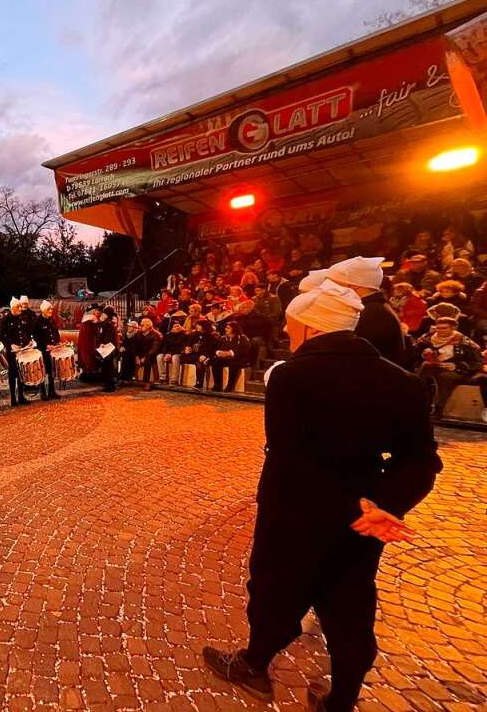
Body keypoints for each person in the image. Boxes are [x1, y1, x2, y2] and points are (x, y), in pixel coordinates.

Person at [202, 280, 441, 712]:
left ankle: (254, 665)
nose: (288, 336)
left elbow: (288, 458)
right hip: (361, 517)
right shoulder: (404, 383)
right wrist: (381, 504)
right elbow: (422, 463)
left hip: (294, 514)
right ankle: (342, 698)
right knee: (350, 605)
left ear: (313, 329)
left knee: (275, 592)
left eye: (292, 328)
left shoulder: (291, 377)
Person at [303, 257, 405, 367]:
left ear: (355, 285)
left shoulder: (369, 315)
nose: (330, 289)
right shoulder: (375, 308)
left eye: (335, 284)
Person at [414, 315, 483, 417]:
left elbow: (477, 362)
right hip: (434, 366)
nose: (440, 330)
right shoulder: (426, 339)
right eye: (438, 328)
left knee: (446, 377)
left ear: (453, 328)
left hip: (456, 370)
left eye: (444, 328)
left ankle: (439, 408)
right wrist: (423, 354)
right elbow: (413, 354)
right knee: (425, 367)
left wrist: (456, 366)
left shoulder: (466, 343)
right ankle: (419, 404)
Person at [0, 297, 33, 406]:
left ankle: (21, 396)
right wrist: (10, 345)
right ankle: (13, 399)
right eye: (18, 307)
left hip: (23, 349)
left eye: (20, 306)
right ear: (12, 308)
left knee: (21, 373)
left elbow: (28, 331)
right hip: (13, 352)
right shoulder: (5, 320)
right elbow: (2, 336)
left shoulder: (23, 317)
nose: (20, 308)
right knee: (13, 374)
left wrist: (29, 341)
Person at [209, 321, 250, 392]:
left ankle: (230, 385)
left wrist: (230, 353)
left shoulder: (242, 338)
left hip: (238, 358)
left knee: (234, 364)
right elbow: (216, 348)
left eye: (228, 328)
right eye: (226, 327)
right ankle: (217, 385)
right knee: (216, 362)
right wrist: (218, 352)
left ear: (234, 329)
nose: (226, 329)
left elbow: (243, 350)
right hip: (226, 358)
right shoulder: (224, 338)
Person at [34, 299, 62, 399]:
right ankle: (43, 392)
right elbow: (36, 337)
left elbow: (55, 332)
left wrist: (57, 342)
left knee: (51, 371)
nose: (51, 311)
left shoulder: (52, 320)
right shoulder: (37, 322)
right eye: (49, 309)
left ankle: (52, 391)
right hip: (43, 350)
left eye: (51, 309)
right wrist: (46, 345)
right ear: (43, 310)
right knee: (43, 371)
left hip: (53, 349)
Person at [98, 306, 118, 392]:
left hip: (108, 348)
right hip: (108, 347)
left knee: (108, 366)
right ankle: (108, 384)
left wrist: (103, 344)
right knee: (107, 366)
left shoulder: (108, 324)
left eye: (104, 313)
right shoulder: (107, 323)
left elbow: (108, 337)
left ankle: (110, 386)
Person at [77, 309, 100, 380]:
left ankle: (85, 373)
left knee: (85, 358)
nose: (98, 313)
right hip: (90, 343)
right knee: (90, 358)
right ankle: (90, 375)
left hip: (83, 342)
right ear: (93, 311)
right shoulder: (93, 319)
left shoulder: (84, 320)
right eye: (97, 311)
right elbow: (95, 332)